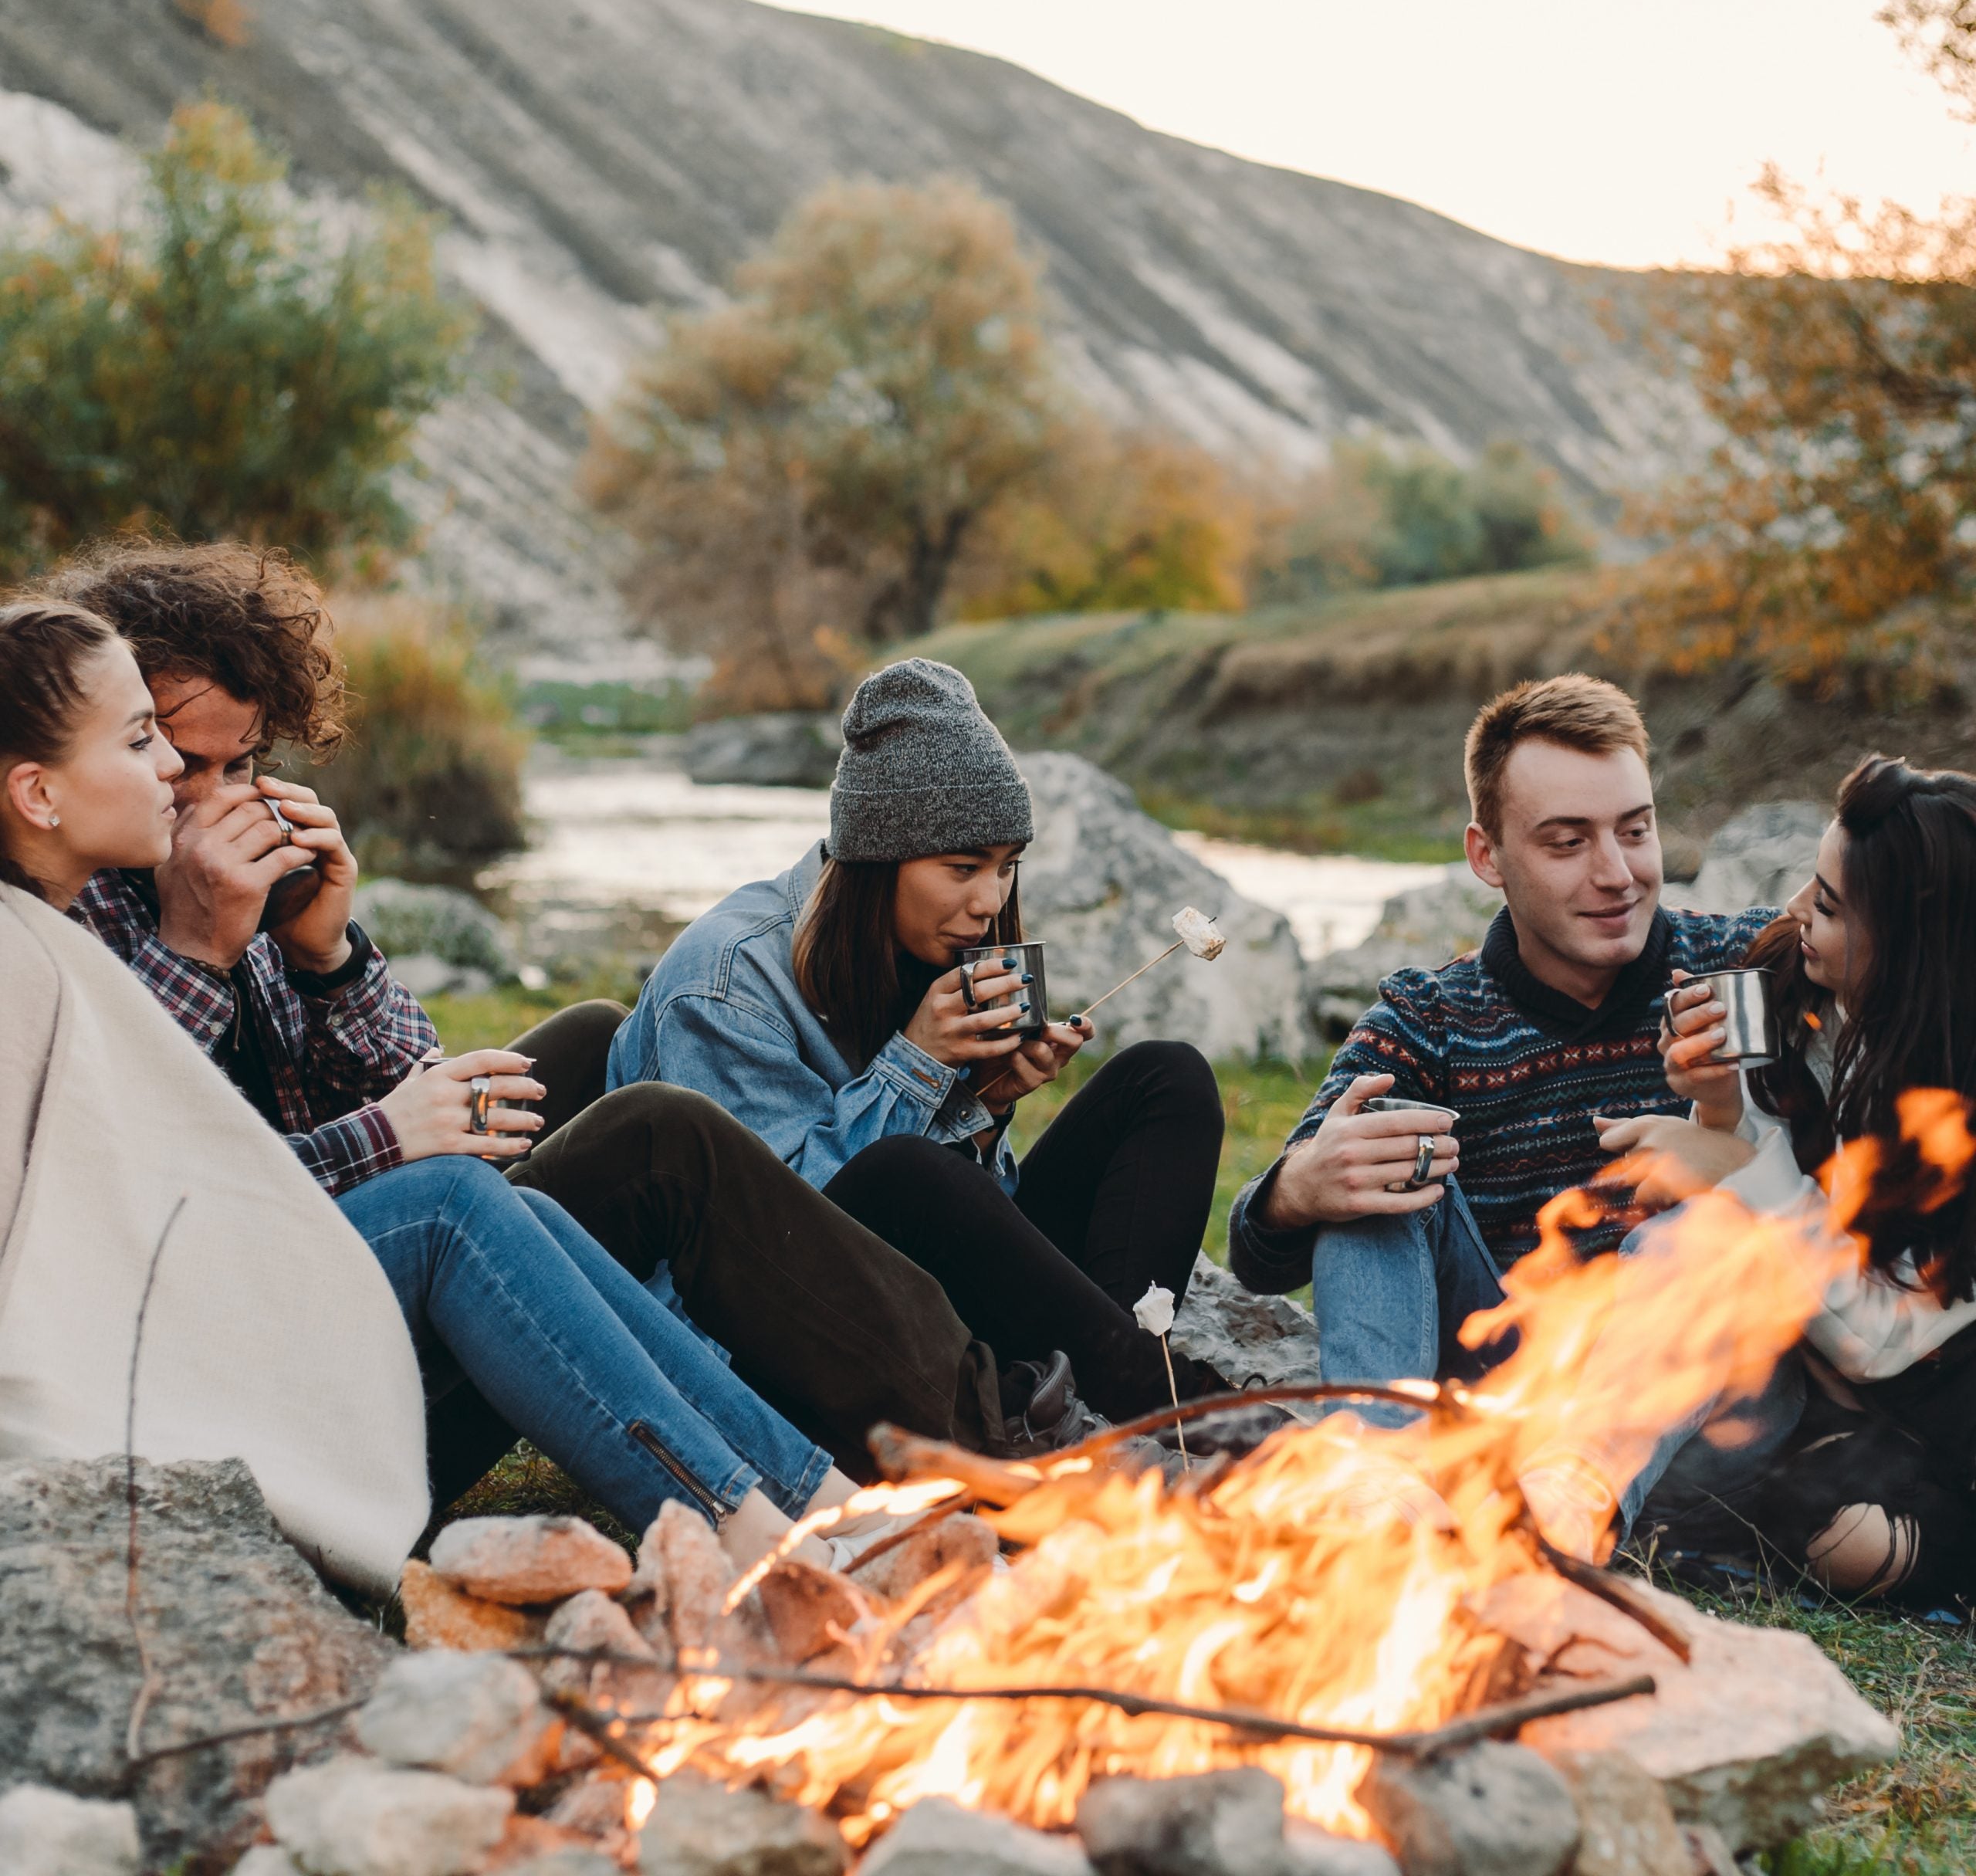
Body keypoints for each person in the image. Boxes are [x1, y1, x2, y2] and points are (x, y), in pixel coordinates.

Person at [42, 541, 1088, 1492]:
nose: (217, 796)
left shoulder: (211, 874)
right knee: (651, 1140)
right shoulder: (76, 916)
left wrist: (325, 958)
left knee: (588, 1044)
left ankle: (746, 1411)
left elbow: (419, 1091)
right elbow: (162, 1197)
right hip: (253, 1375)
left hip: (338, 1294)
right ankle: (950, 1440)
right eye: (169, 757)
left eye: (247, 765)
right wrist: (209, 959)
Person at [608, 657, 1229, 1423]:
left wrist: (985, 1103)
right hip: (757, 1353)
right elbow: (768, 1244)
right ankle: (1163, 1398)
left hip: (919, 1308)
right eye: (962, 867)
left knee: (1163, 1079)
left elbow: (973, 1218)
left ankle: (1091, 1393)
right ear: (875, 862)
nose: (988, 900)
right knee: (902, 1168)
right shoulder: (725, 981)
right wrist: (916, 1064)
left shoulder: (926, 949)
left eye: (1006, 867)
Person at [1229, 675, 1774, 1406]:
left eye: (1635, 830)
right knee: (1372, 1159)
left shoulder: (1748, 965)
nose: (1617, 874)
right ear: (1487, 857)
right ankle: (1377, 1477)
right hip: (1501, 1383)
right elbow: (1256, 1256)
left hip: (1698, 1394)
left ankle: (1589, 1488)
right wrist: (1299, 1188)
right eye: (1567, 842)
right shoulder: (1426, 1020)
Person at [1588, 757, 1976, 1606]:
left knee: (1854, 1542)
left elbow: (1882, 1341)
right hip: (1787, 1367)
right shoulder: (1785, 982)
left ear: (1917, 947)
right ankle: (1591, 1496)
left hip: (1927, 1403)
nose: (1797, 912)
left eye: (1830, 907)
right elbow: (1740, 1221)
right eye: (1812, 880)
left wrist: (1733, 1166)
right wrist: (1720, 1107)